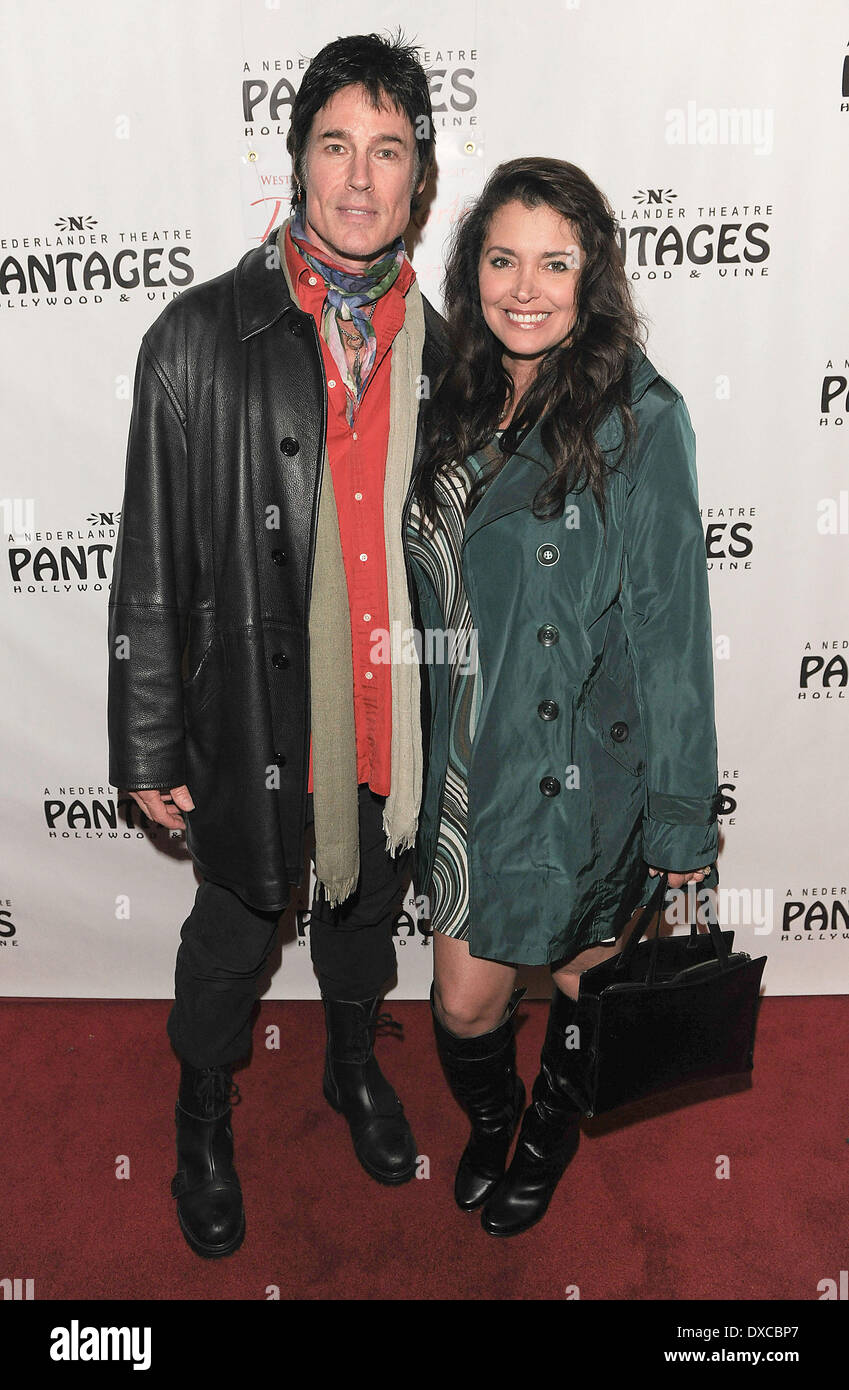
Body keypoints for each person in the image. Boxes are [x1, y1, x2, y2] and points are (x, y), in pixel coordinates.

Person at [107, 32, 447, 1258]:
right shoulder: (197, 337)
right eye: (336, 146)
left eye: (389, 152)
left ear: (422, 180)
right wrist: (147, 729)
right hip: (252, 715)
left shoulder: (441, 349)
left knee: (364, 915)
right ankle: (202, 1116)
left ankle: (350, 1068)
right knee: (235, 936)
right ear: (298, 162)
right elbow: (148, 558)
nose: (360, 179)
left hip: (385, 720)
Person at [406, 157, 720, 1237]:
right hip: (464, 756)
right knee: (463, 1002)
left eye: (555, 261)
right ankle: (493, 1117)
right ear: (474, 268)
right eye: (502, 259)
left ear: (593, 276)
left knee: (589, 984)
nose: (525, 287)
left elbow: (676, 630)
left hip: (583, 763)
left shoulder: (643, 414)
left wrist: (682, 812)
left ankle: (545, 1134)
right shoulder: (450, 388)